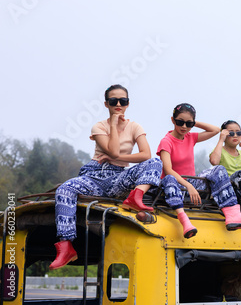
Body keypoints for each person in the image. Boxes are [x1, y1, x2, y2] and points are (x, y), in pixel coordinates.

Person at [50, 84, 162, 270]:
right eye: (113, 101)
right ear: (106, 104)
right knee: (65, 189)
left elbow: (144, 154)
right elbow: (113, 150)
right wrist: (113, 123)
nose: (118, 104)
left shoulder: (134, 126)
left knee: (155, 162)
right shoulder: (99, 126)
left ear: (128, 103)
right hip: (96, 176)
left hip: (119, 177)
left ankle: (136, 197)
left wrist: (117, 158)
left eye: (123, 101)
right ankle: (66, 245)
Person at [157, 103, 241, 238]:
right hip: (176, 186)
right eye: (180, 122)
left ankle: (233, 215)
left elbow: (215, 130)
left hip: (192, 184)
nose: (184, 127)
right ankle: (185, 222)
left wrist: (192, 121)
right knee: (169, 178)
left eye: (188, 124)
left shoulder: (190, 137)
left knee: (218, 169)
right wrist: (188, 186)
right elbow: (168, 170)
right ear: (172, 120)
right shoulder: (167, 141)